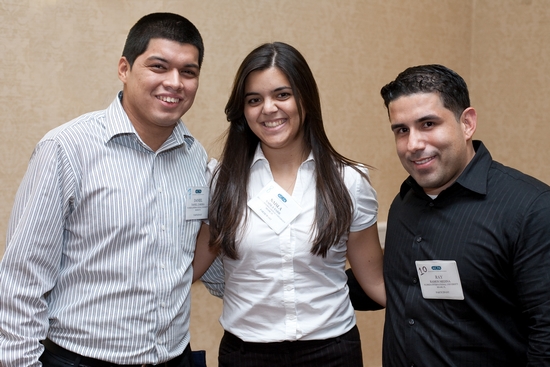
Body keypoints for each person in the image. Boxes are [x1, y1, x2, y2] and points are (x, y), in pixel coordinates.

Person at [0, 13, 209, 367]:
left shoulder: (196, 158)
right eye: (159, 66)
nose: (174, 82)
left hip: (175, 358)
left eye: (188, 72)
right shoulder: (67, 149)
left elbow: (188, 262)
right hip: (82, 360)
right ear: (124, 68)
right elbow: (21, 282)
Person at [193, 42, 385, 367]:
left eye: (282, 95)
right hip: (246, 354)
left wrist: (450, 314)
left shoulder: (349, 181)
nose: (268, 108)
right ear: (243, 110)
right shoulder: (220, 183)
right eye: (254, 100)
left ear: (305, 99)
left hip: (332, 352)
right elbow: (188, 270)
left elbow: (375, 281)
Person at [358, 64, 550, 366]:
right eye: (401, 130)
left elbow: (546, 335)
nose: (413, 144)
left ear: (467, 123)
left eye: (428, 124)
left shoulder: (531, 209)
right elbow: (400, 286)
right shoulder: (404, 203)